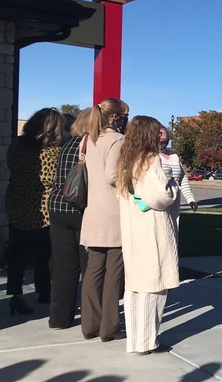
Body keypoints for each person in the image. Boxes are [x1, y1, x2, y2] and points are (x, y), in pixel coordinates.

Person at [116, 116, 179, 356]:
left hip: (133, 226)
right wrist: (172, 186)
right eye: (156, 132)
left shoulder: (125, 158)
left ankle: (135, 340)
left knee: (135, 285)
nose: (159, 137)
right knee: (154, 284)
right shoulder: (149, 159)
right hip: (151, 227)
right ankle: (147, 341)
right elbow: (160, 197)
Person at [4, 108, 64, 316]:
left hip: (16, 200)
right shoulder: (52, 151)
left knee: (16, 251)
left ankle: (16, 294)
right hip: (41, 207)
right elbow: (50, 179)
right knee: (44, 252)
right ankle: (44, 291)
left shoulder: (16, 145)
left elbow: (11, 167)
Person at [79, 97, 129, 342]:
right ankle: (109, 326)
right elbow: (112, 175)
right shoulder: (117, 140)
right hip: (113, 210)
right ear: (114, 117)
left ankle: (89, 323)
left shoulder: (87, 140)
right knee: (114, 272)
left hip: (92, 210)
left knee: (93, 270)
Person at [47, 108, 91, 328]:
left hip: (57, 206)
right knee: (89, 266)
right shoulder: (90, 146)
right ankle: (91, 317)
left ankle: (59, 318)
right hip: (79, 209)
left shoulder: (66, 144)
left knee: (64, 267)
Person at [158, 125, 198, 223]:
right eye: (160, 137)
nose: (163, 140)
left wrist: (190, 199)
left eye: (165, 139)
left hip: (174, 202)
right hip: (160, 201)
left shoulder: (174, 156)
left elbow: (182, 178)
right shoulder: (151, 156)